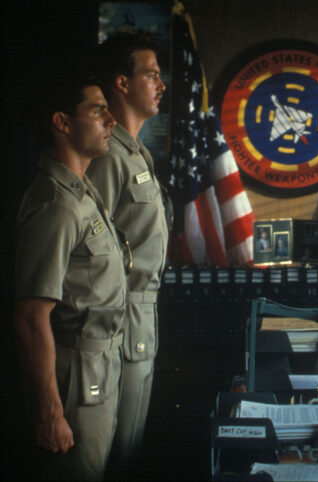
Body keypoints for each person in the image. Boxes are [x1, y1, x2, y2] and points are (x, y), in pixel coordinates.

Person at [14, 76, 125, 480]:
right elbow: (30, 316)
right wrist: (50, 412)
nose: (111, 119)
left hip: (100, 367)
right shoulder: (56, 205)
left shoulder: (82, 192)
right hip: (73, 375)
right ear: (62, 122)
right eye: (97, 110)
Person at [86, 32, 169, 473]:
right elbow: (93, 254)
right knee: (114, 454)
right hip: (117, 319)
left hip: (143, 314)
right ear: (122, 82)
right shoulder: (107, 155)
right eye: (151, 74)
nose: (161, 84)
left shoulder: (136, 153)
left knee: (130, 449)